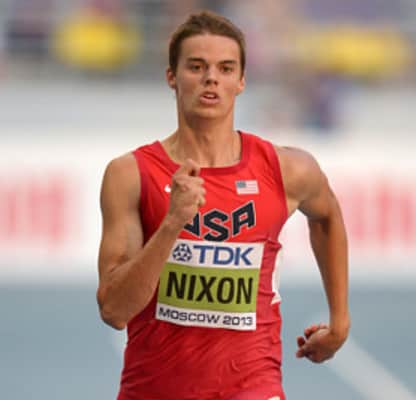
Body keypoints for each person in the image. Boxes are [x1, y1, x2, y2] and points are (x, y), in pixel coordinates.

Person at [97, 10, 350, 400]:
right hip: (154, 390)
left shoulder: (287, 169)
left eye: (225, 68)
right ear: (172, 77)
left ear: (241, 80)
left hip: (253, 386)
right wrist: (172, 223)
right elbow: (114, 311)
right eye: (196, 67)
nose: (211, 78)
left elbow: (327, 216)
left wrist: (340, 322)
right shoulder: (130, 175)